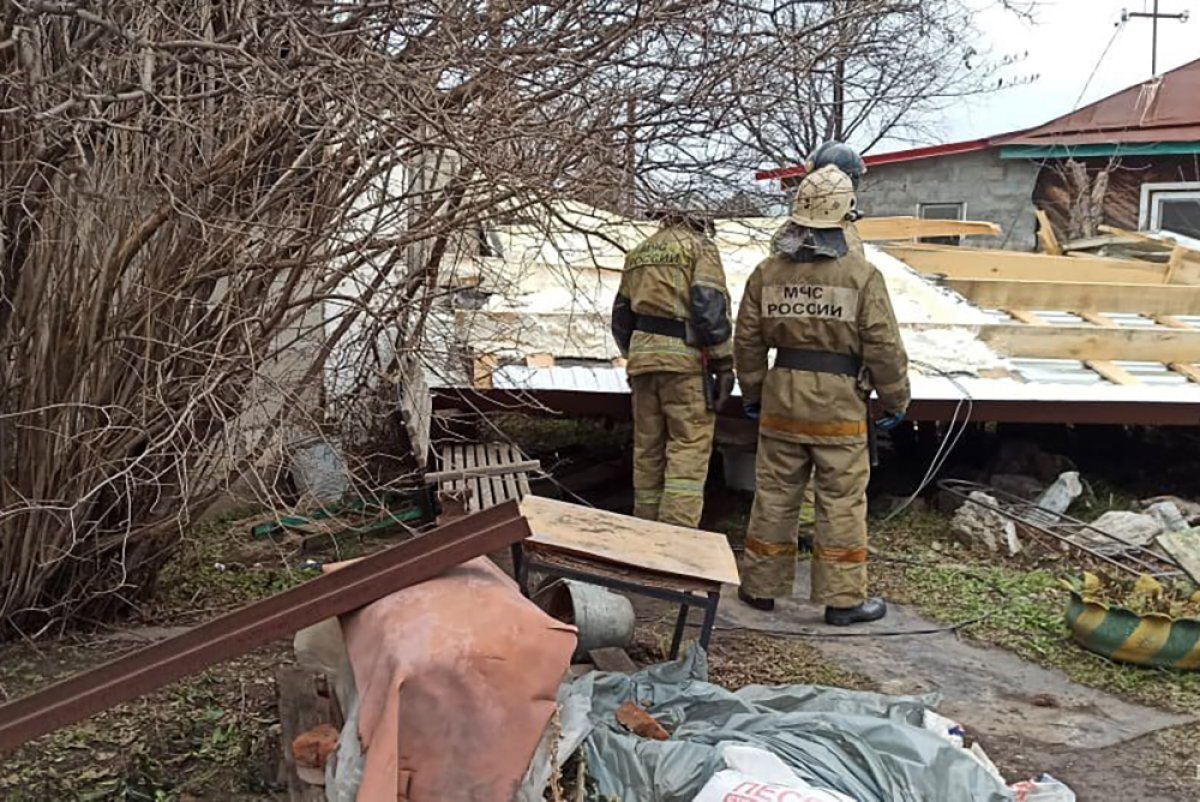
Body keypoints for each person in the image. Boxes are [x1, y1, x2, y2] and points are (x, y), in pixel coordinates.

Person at [734, 165, 909, 625]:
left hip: (782, 401)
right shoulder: (861, 276)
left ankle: (760, 588)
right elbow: (884, 347)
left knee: (773, 495)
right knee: (841, 500)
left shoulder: (766, 273)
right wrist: (895, 401)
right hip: (839, 406)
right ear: (846, 213)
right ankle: (843, 601)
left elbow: (748, 341)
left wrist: (753, 391)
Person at [611, 209, 735, 527]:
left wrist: (638, 353)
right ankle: (676, 541)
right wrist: (723, 363)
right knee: (687, 448)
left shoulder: (640, 251)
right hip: (684, 363)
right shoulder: (699, 247)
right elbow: (708, 307)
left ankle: (646, 531)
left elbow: (621, 316)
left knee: (648, 448)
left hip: (642, 363)